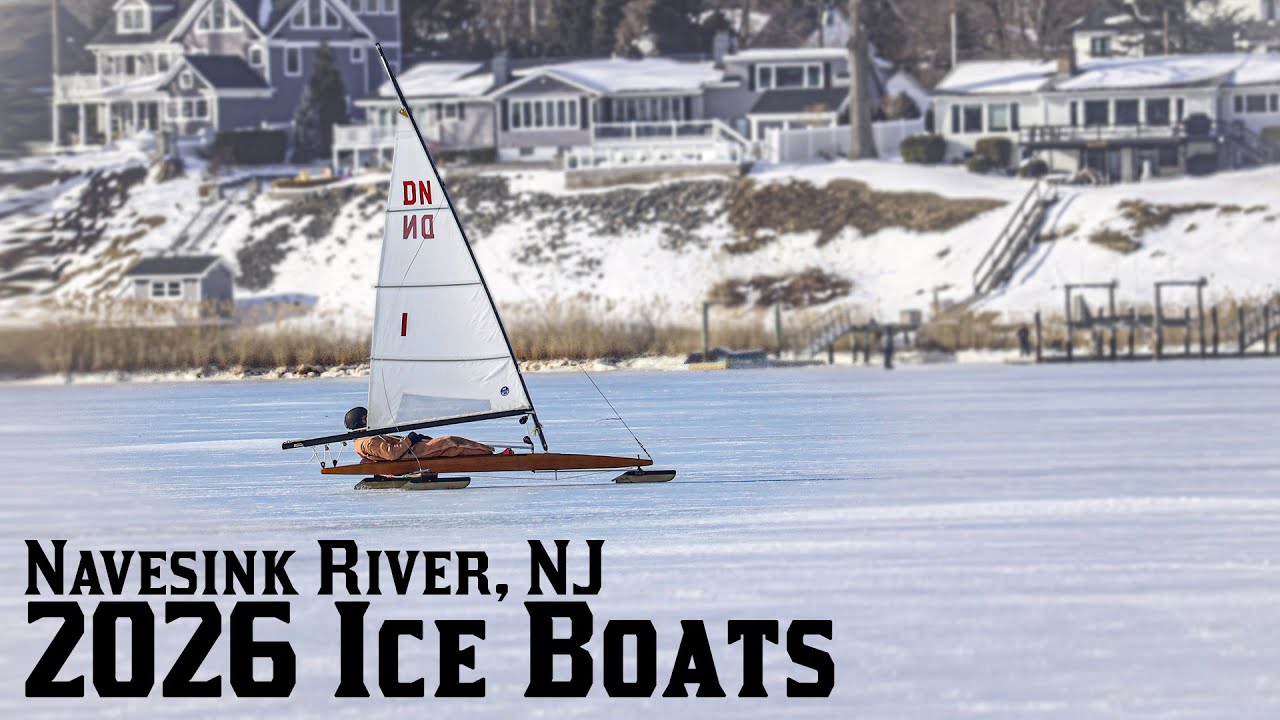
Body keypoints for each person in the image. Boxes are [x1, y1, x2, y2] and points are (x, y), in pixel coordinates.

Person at [342, 407, 497, 462]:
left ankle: (486, 451)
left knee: (448, 443)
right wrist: (409, 440)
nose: (370, 419)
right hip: (411, 454)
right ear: (359, 423)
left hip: (411, 450)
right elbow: (391, 454)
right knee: (450, 442)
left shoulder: (366, 438)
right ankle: (489, 452)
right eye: (366, 418)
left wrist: (414, 439)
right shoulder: (368, 441)